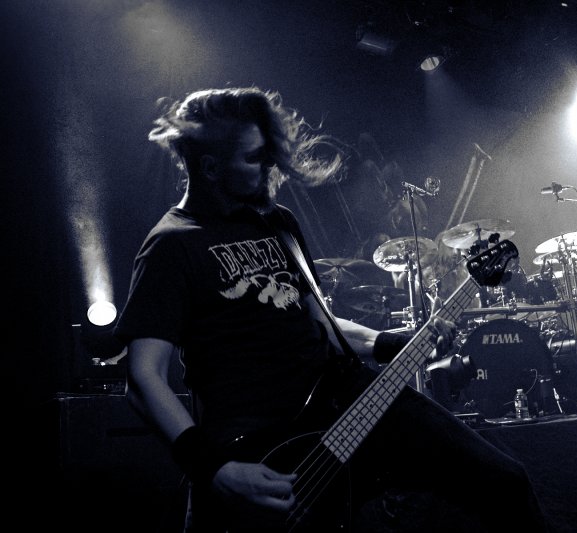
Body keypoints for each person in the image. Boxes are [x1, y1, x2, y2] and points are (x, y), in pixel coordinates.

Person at [114, 87, 546, 532]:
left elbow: (320, 323)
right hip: (266, 443)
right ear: (209, 167)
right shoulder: (171, 245)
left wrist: (393, 343)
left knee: (505, 483)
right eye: (254, 157)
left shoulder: (276, 222)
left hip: (345, 401)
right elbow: (144, 377)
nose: (269, 166)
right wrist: (213, 468)